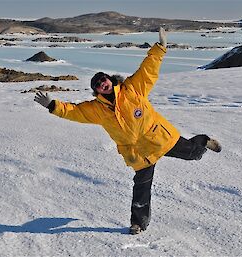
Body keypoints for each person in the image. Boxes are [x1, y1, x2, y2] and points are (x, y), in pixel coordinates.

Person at [34, 27, 221, 235]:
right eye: (97, 84)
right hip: (137, 152)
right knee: (141, 188)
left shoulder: (132, 88)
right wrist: (53, 106)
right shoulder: (96, 110)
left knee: (193, 154)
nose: (101, 84)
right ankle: (138, 224)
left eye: (103, 79)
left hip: (159, 138)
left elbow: (148, 70)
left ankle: (203, 141)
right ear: (96, 90)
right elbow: (74, 111)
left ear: (109, 79)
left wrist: (160, 48)